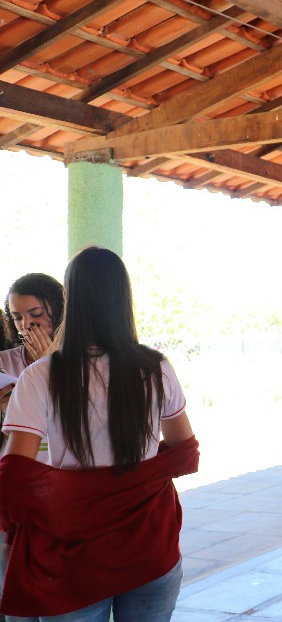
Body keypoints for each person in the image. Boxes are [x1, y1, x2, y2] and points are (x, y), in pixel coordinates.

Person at [0, 247, 197, 621]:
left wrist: (13, 532)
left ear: (68, 299)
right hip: (150, 546)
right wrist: (137, 471)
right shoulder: (156, 367)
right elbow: (185, 452)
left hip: (74, 559)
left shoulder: (40, 376)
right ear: (124, 296)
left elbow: (16, 476)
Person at [1, 273, 65, 379]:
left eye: (36, 314)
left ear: (59, 310)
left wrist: (50, 365)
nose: (26, 324)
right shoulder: (3, 362)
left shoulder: (84, 357)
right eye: (17, 317)